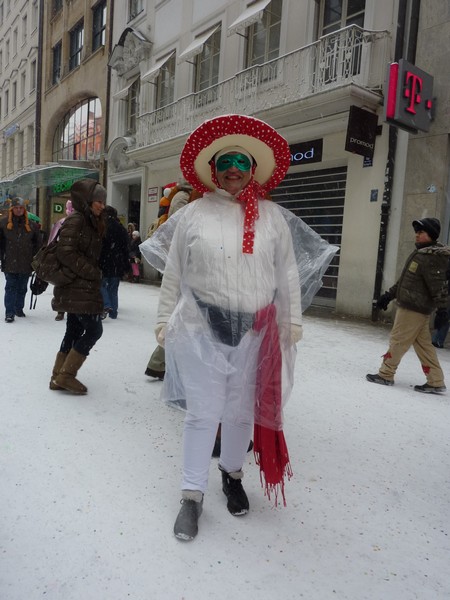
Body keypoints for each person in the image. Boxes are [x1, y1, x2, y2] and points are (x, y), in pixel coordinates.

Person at [153, 114, 304, 541]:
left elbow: (288, 273)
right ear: (213, 170)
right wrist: (164, 319)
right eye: (225, 161)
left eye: (241, 160)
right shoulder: (192, 215)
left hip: (255, 332)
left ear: (252, 168)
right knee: (203, 414)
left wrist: (291, 319)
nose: (233, 168)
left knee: (240, 412)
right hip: (201, 328)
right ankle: (191, 494)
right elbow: (174, 273)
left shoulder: (273, 217)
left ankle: (232, 475)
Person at [366, 217, 450, 393]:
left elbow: (438, 286)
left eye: (421, 232)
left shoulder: (432, 258)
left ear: (431, 235)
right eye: (416, 232)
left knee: (398, 340)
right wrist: (388, 296)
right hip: (413, 307)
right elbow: (405, 282)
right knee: (424, 346)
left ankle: (386, 374)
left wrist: (443, 309)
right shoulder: (421, 253)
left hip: (414, 309)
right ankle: (436, 381)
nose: (417, 235)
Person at [49, 179, 106, 395]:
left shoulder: (90, 220)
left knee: (74, 329)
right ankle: (66, 375)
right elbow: (66, 252)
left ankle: (57, 376)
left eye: (103, 201)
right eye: (97, 201)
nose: (101, 205)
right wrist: (91, 271)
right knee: (94, 329)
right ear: (87, 200)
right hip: (77, 286)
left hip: (79, 286)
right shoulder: (77, 220)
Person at [145, 181, 196, 380]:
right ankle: (160, 363)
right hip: (187, 262)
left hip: (190, 261)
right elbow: (179, 229)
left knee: (184, 313)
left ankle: (162, 363)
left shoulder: (186, 196)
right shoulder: (184, 197)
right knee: (182, 313)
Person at [0, 197, 42, 322]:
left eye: (21, 208)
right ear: (12, 209)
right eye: (16, 208)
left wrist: (35, 259)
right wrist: (3, 257)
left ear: (24, 210)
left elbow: (38, 244)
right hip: (9, 262)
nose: (18, 210)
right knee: (11, 287)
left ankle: (19, 308)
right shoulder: (3, 224)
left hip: (26, 263)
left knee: (22, 287)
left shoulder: (32, 226)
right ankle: (9, 312)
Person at [99, 205, 130, 319]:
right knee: (113, 288)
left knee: (101, 284)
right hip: (117, 263)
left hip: (104, 261)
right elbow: (125, 248)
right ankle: (114, 312)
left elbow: (100, 246)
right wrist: (126, 265)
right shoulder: (121, 228)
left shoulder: (102, 227)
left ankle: (106, 304)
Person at [48, 199, 74, 321]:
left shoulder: (82, 223)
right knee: (61, 285)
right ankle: (61, 310)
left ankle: (66, 310)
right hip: (63, 259)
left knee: (66, 286)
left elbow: (51, 241)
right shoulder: (62, 223)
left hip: (74, 260)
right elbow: (52, 241)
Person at [432, 259, 450, 348]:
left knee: (443, 316)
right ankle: (438, 340)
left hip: (445, 292)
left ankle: (436, 340)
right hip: (446, 293)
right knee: (444, 316)